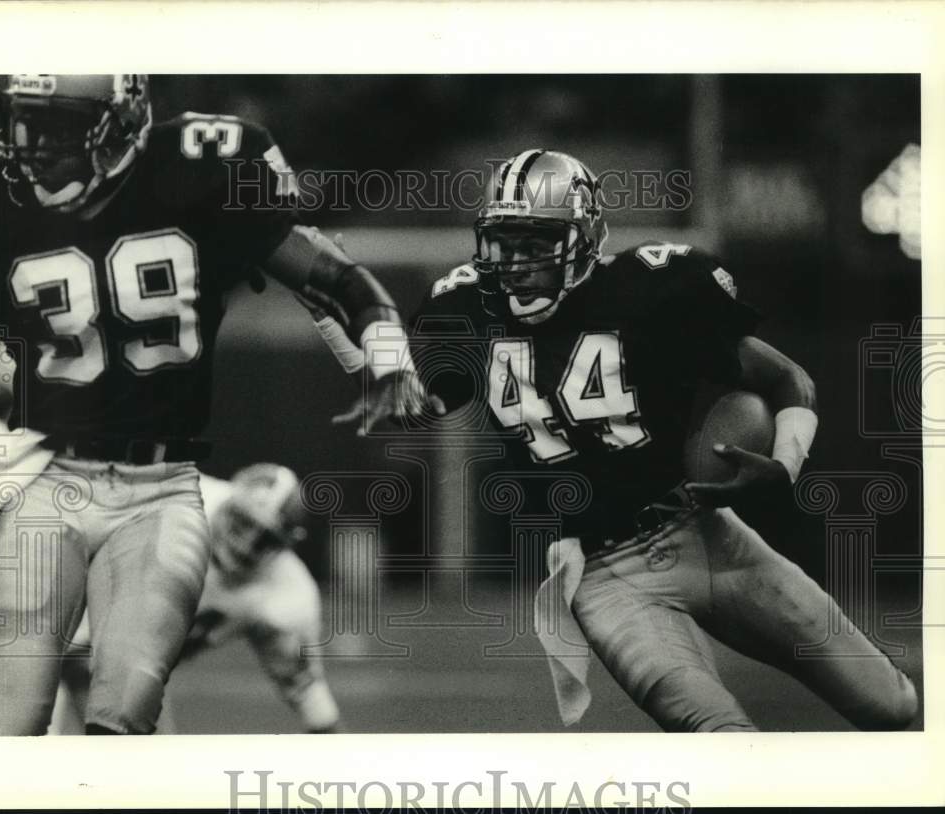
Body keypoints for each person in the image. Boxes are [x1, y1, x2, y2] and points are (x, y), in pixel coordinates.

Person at [0, 74, 438, 735]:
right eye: (26, 121)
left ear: (121, 125)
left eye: (59, 126)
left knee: (123, 714)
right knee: (3, 726)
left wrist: (384, 353)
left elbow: (331, 274)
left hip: (159, 488)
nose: (33, 145)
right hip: (46, 475)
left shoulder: (204, 167)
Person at [393, 148, 918, 732]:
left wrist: (785, 465)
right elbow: (419, 396)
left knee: (893, 705)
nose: (516, 263)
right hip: (607, 576)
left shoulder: (651, 290)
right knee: (721, 735)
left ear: (583, 237)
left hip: (711, 537)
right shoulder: (468, 309)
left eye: (536, 243)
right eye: (505, 243)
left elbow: (787, 379)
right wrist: (396, 388)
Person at [50, 463, 341, 735]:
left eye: (264, 538)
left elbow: (306, 691)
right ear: (229, 502)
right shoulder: (171, 501)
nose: (246, 544)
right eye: (242, 524)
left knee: (151, 778)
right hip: (53, 633)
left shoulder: (286, 593)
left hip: (119, 672)